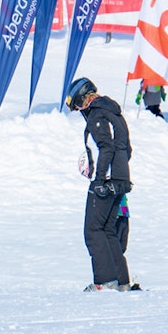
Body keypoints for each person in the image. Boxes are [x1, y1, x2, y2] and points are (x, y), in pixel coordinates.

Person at [66, 77, 136, 292]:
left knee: (93, 230)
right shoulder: (114, 114)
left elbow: (106, 148)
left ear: (84, 98)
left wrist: (100, 180)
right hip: (119, 179)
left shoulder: (97, 114)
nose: (79, 110)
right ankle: (121, 281)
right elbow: (126, 149)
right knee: (107, 230)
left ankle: (105, 281)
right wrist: (119, 175)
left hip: (106, 182)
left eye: (77, 105)